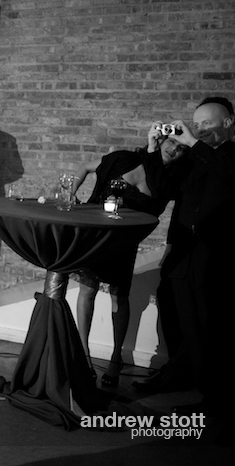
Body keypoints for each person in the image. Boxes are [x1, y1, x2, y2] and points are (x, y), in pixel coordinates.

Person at [70, 126, 190, 387]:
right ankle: (84, 356)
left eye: (181, 148)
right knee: (87, 291)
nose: (174, 149)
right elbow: (85, 167)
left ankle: (116, 359)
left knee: (119, 297)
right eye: (172, 142)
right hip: (95, 236)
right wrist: (71, 193)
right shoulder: (123, 159)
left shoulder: (168, 182)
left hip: (123, 244)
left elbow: (162, 206)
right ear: (161, 140)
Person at [157, 97, 235, 420]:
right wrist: (158, 151)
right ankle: (196, 386)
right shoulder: (193, 157)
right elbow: (164, 192)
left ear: (228, 123)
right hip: (184, 254)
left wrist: (193, 143)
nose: (200, 129)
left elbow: (227, 174)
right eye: (196, 124)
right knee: (186, 324)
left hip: (216, 258)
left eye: (207, 123)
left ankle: (221, 401)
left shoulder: (227, 156)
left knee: (215, 330)